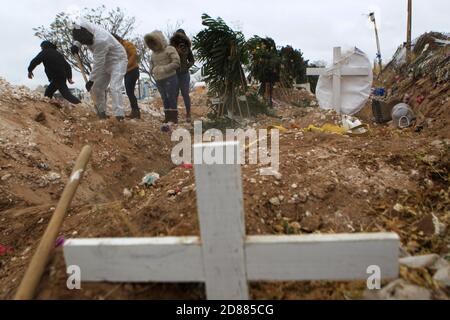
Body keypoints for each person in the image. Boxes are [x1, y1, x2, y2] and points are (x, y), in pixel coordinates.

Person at [71, 20, 128, 121]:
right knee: (97, 87)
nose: (86, 44)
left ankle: (119, 115)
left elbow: (98, 63)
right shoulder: (83, 27)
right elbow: (79, 34)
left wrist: (91, 80)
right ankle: (102, 113)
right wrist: (76, 45)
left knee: (115, 86)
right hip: (105, 61)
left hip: (118, 60)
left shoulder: (101, 40)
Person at [144, 31, 180, 124]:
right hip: (159, 80)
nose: (152, 44)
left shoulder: (169, 49)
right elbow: (151, 64)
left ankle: (174, 118)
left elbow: (176, 62)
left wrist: (164, 69)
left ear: (159, 40)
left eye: (154, 41)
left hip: (170, 78)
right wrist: (152, 70)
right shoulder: (153, 54)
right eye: (150, 42)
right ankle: (167, 117)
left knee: (171, 97)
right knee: (164, 98)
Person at [113, 34, 141, 119]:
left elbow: (134, 55)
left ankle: (136, 112)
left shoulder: (127, 44)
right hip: (127, 72)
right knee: (130, 92)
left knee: (130, 92)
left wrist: (125, 66)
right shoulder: (118, 47)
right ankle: (135, 111)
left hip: (132, 70)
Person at [170, 29, 195, 122]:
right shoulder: (172, 48)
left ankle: (188, 114)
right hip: (174, 74)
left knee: (185, 94)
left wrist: (187, 66)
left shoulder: (187, 48)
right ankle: (174, 116)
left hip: (184, 74)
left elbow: (192, 60)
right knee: (174, 95)